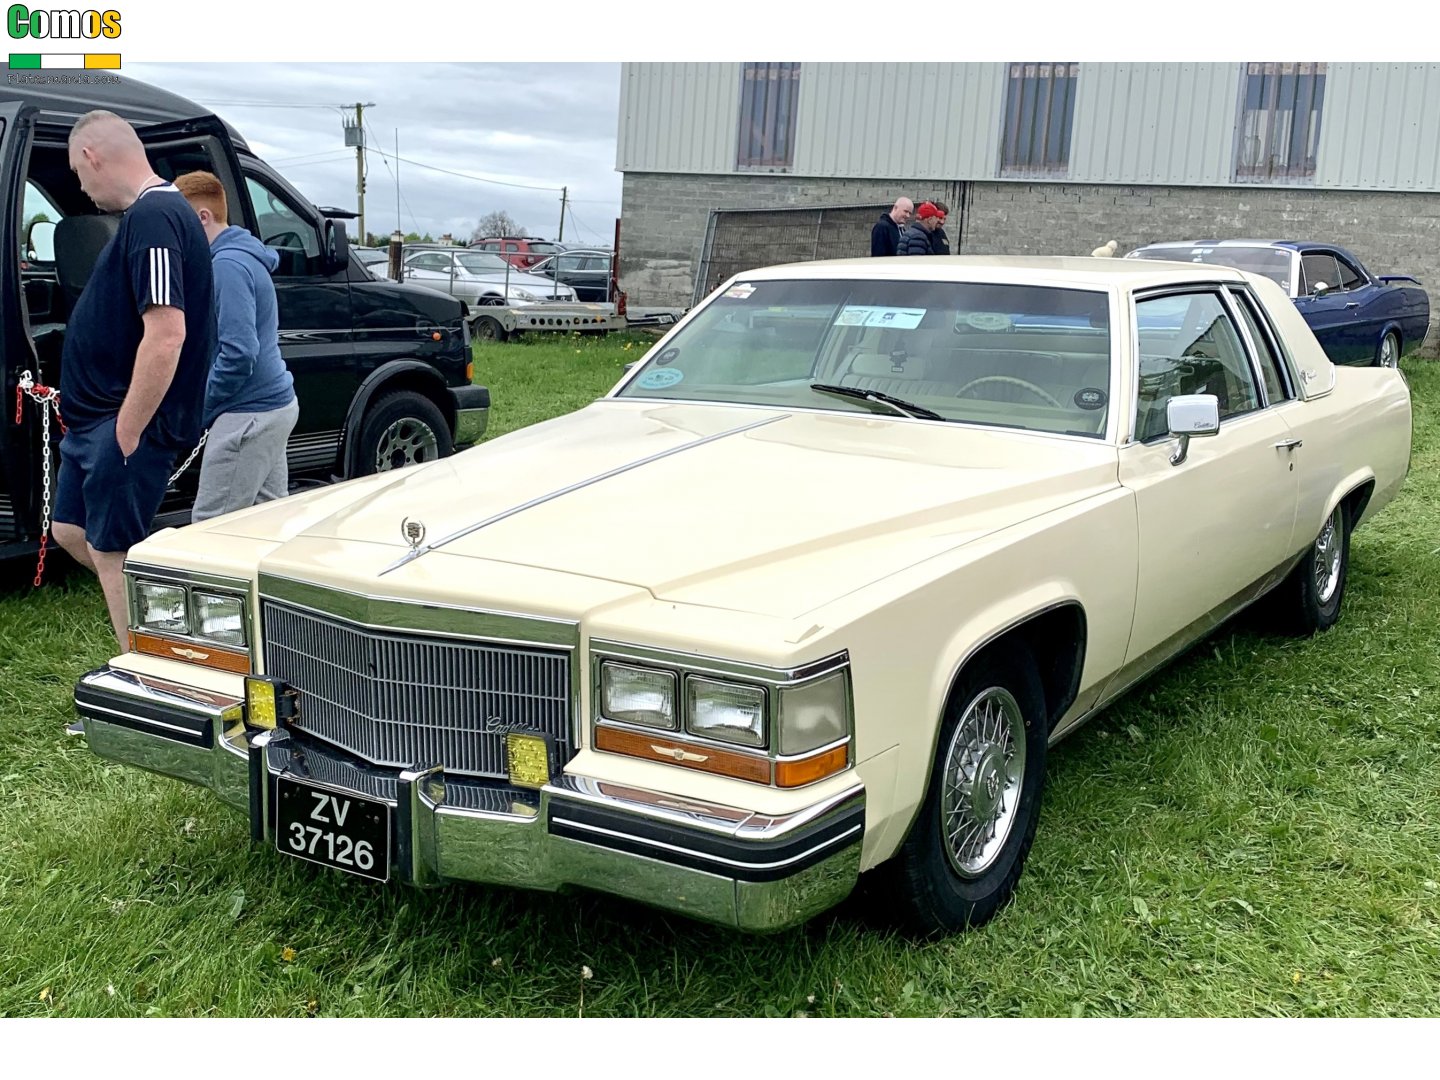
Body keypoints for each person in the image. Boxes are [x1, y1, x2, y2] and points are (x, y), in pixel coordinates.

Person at [52, 110, 215, 654]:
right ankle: (166, 622)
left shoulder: (156, 217)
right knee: (71, 533)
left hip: (121, 425)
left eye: (78, 173)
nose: (83, 187)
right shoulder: (147, 219)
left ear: (92, 157)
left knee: (114, 552)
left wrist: (128, 431)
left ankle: (147, 675)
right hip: (94, 422)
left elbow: (167, 333)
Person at [174, 170, 298, 523]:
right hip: (272, 406)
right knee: (267, 519)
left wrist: (200, 408)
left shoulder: (226, 266)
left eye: (179, 226)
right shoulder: (242, 257)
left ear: (202, 217)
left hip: (249, 414)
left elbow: (239, 353)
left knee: (212, 527)